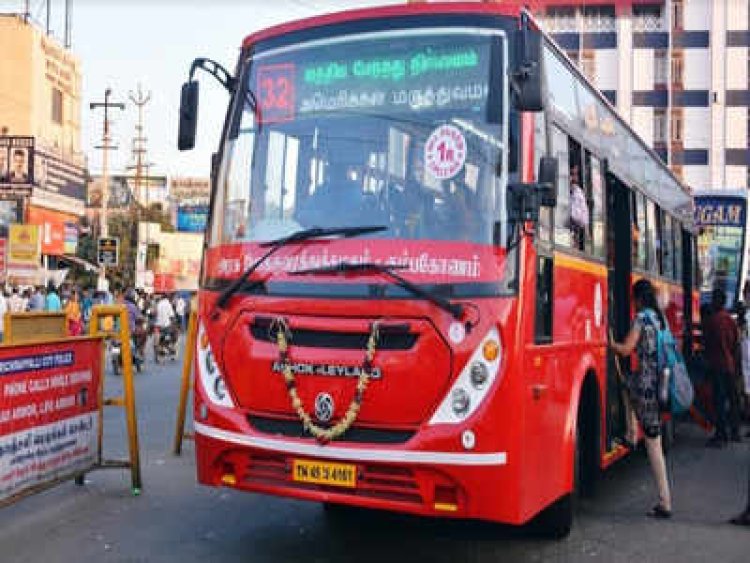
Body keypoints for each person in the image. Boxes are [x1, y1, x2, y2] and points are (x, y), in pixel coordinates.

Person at [610, 279, 672, 518]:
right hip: (660, 385)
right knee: (653, 439)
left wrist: (609, 343)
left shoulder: (642, 319)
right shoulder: (660, 319)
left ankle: (665, 501)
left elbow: (626, 350)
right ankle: (631, 433)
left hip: (645, 386)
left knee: (653, 443)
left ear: (638, 299)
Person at [703, 288, 741, 446]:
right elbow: (736, 343)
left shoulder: (712, 321)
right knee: (733, 399)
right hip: (730, 365)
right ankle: (735, 432)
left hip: (717, 365)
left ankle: (721, 435)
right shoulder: (730, 320)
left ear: (716, 301)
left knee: (719, 400)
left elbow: (708, 344)